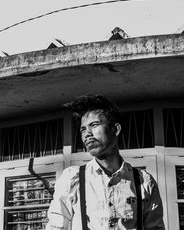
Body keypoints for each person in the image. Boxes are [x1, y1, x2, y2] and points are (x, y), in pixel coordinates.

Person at [45, 94, 164, 229]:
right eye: (83, 129)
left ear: (116, 129)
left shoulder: (144, 181)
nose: (87, 134)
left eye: (94, 125)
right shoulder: (72, 178)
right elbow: (56, 226)